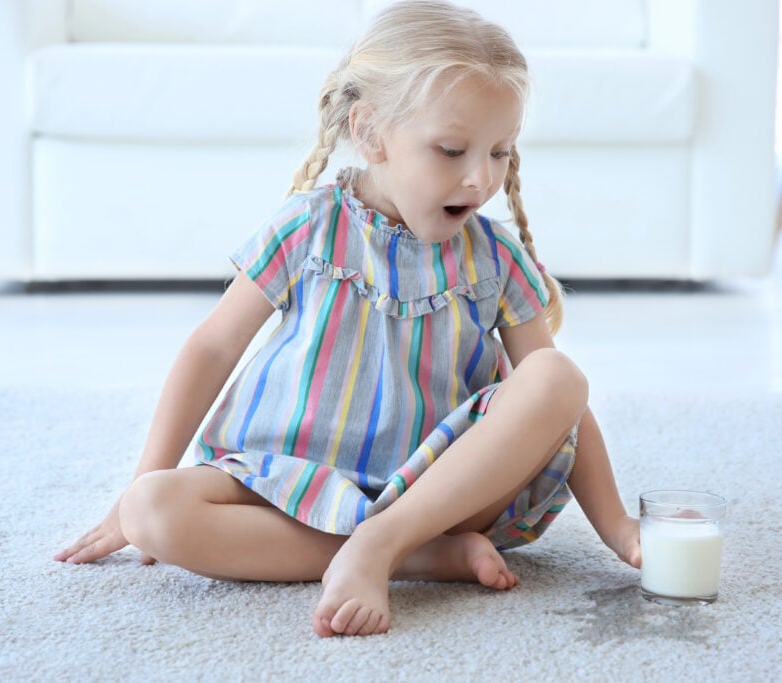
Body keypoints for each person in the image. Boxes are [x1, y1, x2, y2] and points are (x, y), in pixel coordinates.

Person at [54, 0, 641, 637]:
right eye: (451, 150)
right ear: (369, 133)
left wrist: (617, 526)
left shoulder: (493, 256)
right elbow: (212, 350)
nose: (480, 179)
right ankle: (417, 557)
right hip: (295, 478)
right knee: (152, 511)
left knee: (555, 373)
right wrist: (140, 484)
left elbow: (559, 404)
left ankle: (387, 539)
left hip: (441, 487)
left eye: (501, 152)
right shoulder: (309, 228)